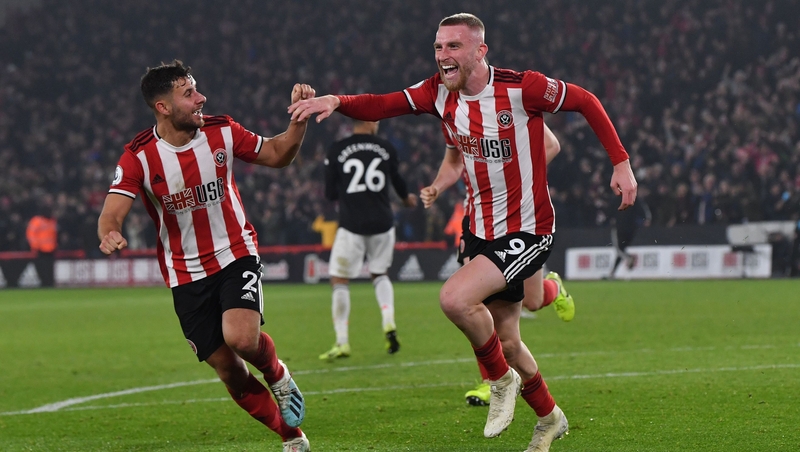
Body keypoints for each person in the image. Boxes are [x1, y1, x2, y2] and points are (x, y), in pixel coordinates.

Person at [289, 13, 637, 452]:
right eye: (438, 47)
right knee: (507, 340)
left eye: (453, 47)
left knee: (455, 298)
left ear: (479, 51)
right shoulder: (439, 95)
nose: (442, 56)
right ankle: (550, 418)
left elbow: (585, 100)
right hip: (480, 230)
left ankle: (499, 381)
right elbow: (382, 104)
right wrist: (336, 102)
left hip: (528, 229)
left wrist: (620, 163)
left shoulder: (521, 88)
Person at [97, 60, 312, 452]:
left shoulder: (222, 131)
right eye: (189, 94)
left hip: (235, 252)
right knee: (229, 369)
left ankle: (278, 375)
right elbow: (111, 211)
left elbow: (279, 154)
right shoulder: (139, 156)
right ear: (163, 107)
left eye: (197, 90)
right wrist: (109, 232)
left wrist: (299, 120)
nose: (201, 98)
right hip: (185, 274)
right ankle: (292, 437)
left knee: (242, 339)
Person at [423, 122, 575, 407]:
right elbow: (454, 163)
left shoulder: (509, 103)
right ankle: (492, 381)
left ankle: (553, 287)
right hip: (479, 226)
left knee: (533, 300)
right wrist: (437, 187)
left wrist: (516, 179)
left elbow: (552, 145)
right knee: (472, 304)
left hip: (522, 221)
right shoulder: (454, 113)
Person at [319, 120, 418, 360]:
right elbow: (398, 182)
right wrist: (406, 199)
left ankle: (342, 342)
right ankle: (388, 321)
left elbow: (330, 193)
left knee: (339, 279)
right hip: (383, 222)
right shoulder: (385, 147)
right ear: (371, 122)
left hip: (352, 223)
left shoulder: (337, 149)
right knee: (380, 274)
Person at [608, 198, 651, 279]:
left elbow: (610, 211)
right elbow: (643, 209)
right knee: (621, 249)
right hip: (631, 229)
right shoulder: (634, 198)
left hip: (619, 227)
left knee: (619, 249)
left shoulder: (616, 198)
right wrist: (646, 219)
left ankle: (628, 258)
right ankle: (612, 273)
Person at [26, 206, 58, 287]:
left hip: (51, 249)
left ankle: (49, 283)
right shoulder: (37, 221)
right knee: (42, 269)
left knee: (50, 269)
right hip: (41, 250)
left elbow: (54, 235)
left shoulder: (52, 221)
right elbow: (30, 234)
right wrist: (35, 246)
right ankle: (44, 283)